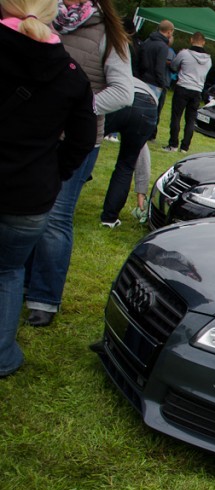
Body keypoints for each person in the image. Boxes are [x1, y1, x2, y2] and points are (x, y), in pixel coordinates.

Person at [22, 0, 132, 328]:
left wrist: (77, 107)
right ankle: (21, 283)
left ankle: (44, 298)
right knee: (27, 212)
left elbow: (123, 92)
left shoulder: (108, 34)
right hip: (36, 135)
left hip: (77, 139)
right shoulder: (42, 18)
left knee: (55, 218)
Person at [1, 0, 96, 376]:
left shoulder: (69, 71)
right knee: (7, 272)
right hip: (29, 195)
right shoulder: (71, 74)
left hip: (31, 190)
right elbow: (83, 139)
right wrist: (53, 173)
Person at [99, 76, 158, 227]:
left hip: (118, 100)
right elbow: (141, 149)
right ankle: (109, 219)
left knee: (86, 146)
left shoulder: (108, 77)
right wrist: (141, 190)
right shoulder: (137, 83)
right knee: (126, 165)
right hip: (148, 105)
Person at [165, 31, 211, 153]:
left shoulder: (184, 53)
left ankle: (173, 144)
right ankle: (185, 147)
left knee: (176, 117)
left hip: (183, 87)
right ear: (204, 42)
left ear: (191, 40)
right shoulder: (208, 59)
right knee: (190, 120)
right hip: (197, 90)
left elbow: (173, 66)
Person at [137, 18, 171, 100]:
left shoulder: (147, 41)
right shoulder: (163, 47)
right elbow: (159, 68)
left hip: (140, 79)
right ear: (169, 32)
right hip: (153, 83)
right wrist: (162, 84)